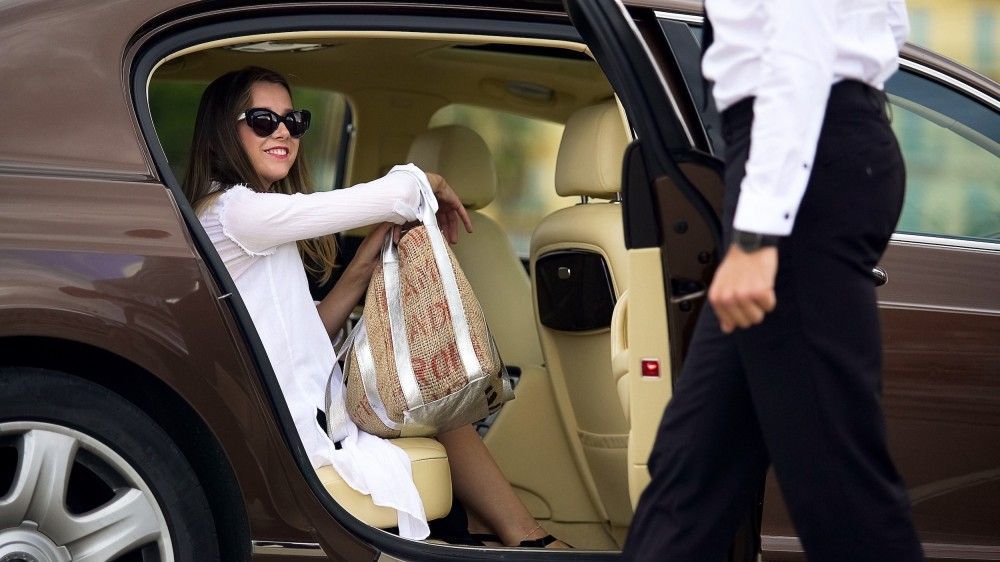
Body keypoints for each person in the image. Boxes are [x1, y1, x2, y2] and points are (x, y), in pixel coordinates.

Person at [182, 66, 567, 548]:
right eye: (262, 120)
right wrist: (432, 182)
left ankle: (506, 533)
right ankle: (526, 537)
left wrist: (363, 266)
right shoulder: (236, 211)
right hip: (290, 426)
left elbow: (304, 336)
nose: (282, 131)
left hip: (301, 404)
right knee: (433, 402)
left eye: (293, 121)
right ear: (222, 134)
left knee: (433, 399)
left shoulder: (243, 216)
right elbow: (394, 194)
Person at [623, 1, 924, 561]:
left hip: (802, 161)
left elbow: (796, 46)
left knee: (838, 486)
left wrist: (757, 238)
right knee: (692, 469)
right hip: (803, 150)